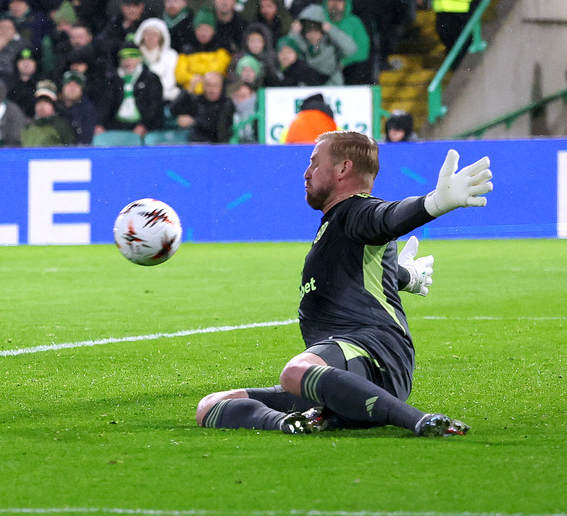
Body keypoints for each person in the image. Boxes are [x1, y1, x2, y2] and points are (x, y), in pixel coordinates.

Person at [196, 132, 492, 437]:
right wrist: (405, 276)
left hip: (375, 352)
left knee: (295, 372)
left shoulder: (357, 210)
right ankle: (294, 423)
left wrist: (433, 203)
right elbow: (360, 264)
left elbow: (387, 218)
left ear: (342, 169)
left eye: (314, 163)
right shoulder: (340, 224)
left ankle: (421, 420)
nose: (306, 172)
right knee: (211, 405)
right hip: (339, 371)